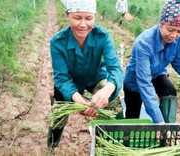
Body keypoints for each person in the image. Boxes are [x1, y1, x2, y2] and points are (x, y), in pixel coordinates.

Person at [47, 0, 123, 152]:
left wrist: (107, 90)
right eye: (77, 18)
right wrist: (78, 99)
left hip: (95, 76)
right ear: (67, 15)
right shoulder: (57, 42)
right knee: (59, 115)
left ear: (94, 17)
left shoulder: (102, 36)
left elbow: (115, 68)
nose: (83, 24)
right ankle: (51, 148)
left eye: (88, 18)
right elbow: (62, 78)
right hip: (69, 81)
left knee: (113, 102)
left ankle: (117, 145)